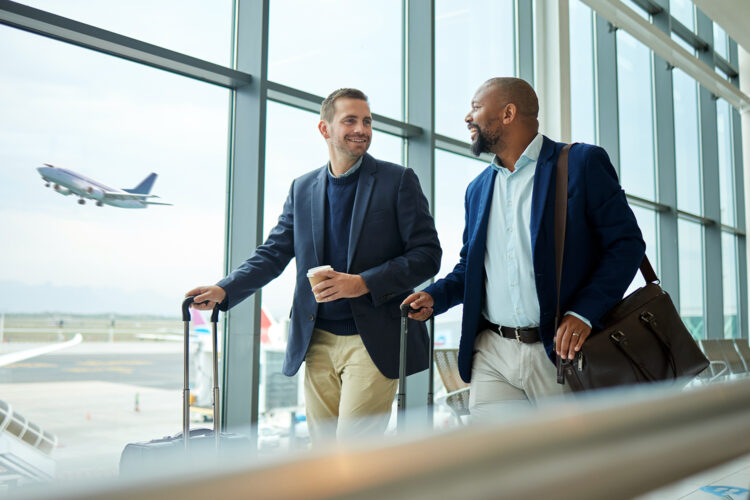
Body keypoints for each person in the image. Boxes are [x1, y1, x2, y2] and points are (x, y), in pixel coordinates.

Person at [186, 88, 441, 443]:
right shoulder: (302, 188)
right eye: (350, 120)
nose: (362, 129)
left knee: (354, 455)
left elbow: (428, 254)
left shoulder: (397, 181)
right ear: (325, 129)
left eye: (366, 121)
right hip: (316, 339)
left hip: (373, 340)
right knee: (323, 455)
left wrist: (363, 282)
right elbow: (273, 252)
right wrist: (225, 289)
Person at [402, 77, 645, 417]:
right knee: (498, 466)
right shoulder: (478, 189)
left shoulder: (581, 164)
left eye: (475, 107)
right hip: (493, 354)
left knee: (567, 465)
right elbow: (471, 267)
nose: (467, 118)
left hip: (560, 353)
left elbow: (626, 244)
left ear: (508, 113)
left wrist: (584, 312)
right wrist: (436, 297)